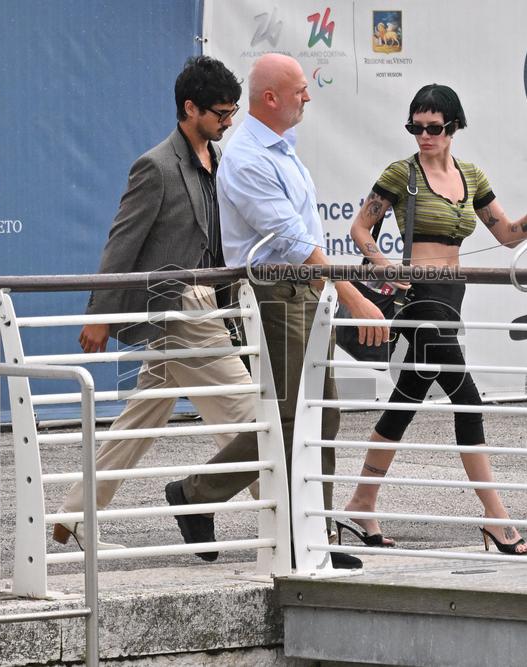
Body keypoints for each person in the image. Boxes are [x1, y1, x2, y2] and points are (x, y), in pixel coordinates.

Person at [164, 53, 388, 570]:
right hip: (274, 296)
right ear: (271, 98)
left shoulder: (277, 150)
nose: (308, 97)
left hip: (302, 294)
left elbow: (299, 237)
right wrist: (353, 296)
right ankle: (212, 500)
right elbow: (289, 240)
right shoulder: (247, 157)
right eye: (300, 90)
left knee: (319, 416)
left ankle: (307, 533)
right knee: (291, 418)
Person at [338, 83, 527, 555]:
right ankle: (496, 517)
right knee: (466, 398)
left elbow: (507, 235)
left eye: (434, 128)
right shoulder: (400, 174)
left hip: (452, 298)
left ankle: (361, 503)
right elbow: (361, 227)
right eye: (416, 127)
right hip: (417, 298)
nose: (424, 136)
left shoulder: (471, 175)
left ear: (454, 128)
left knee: (404, 403)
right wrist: (385, 267)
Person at [53, 55, 260, 551]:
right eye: (220, 113)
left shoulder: (219, 161)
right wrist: (100, 316)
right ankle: (290, 523)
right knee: (253, 417)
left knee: (139, 420)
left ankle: (71, 516)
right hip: (180, 309)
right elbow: (121, 244)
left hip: (207, 301)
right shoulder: (156, 166)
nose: (228, 122)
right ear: (190, 109)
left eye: (232, 112)